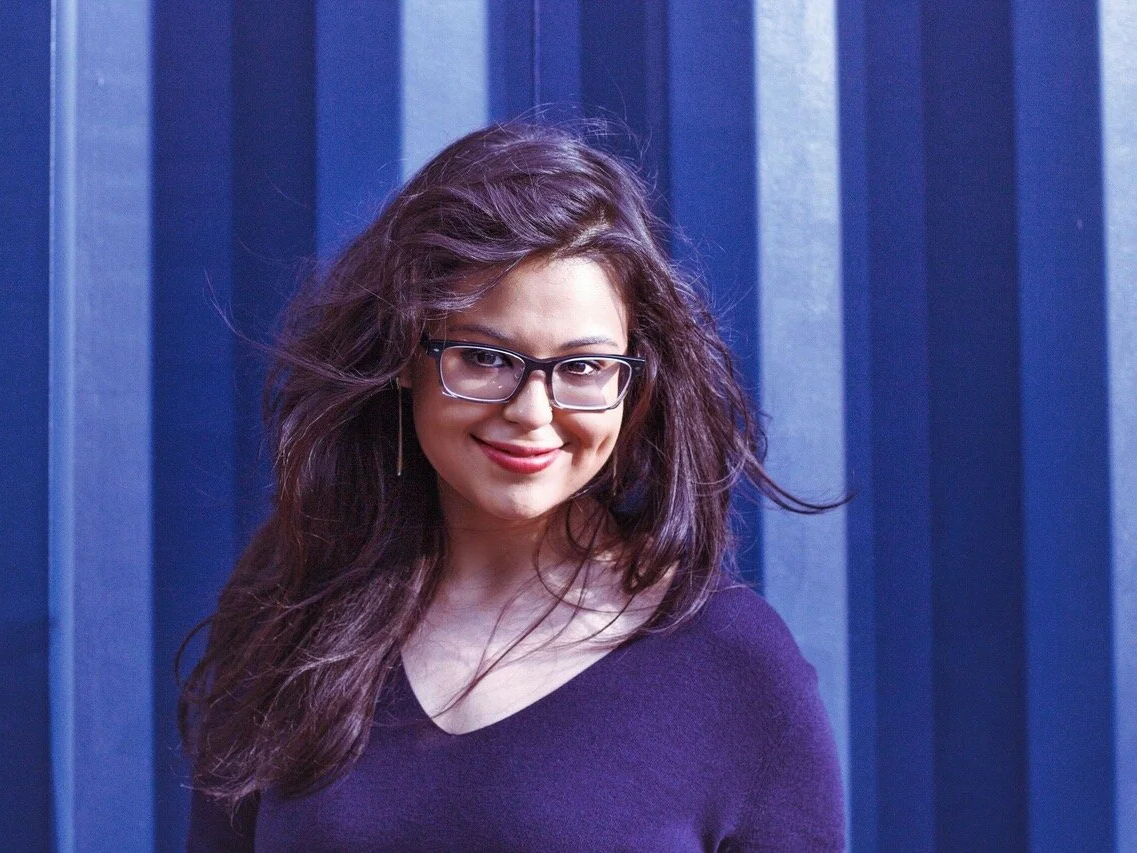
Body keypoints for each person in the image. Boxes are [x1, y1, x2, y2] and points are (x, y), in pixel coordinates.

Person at [182, 121, 845, 851]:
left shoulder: (735, 667)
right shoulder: (291, 607)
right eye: (484, 357)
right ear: (404, 357)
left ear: (633, 383)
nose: (532, 411)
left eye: (583, 367)